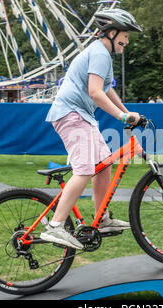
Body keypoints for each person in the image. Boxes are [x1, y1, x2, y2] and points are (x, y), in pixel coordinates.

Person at [41, 8, 142, 249]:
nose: (127, 41)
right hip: (71, 115)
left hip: (81, 116)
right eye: (125, 35)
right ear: (110, 32)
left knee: (103, 166)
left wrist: (127, 112)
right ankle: (55, 226)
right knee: (85, 169)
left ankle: (102, 218)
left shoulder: (101, 55)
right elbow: (95, 92)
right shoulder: (99, 53)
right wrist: (121, 116)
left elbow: (106, 89)